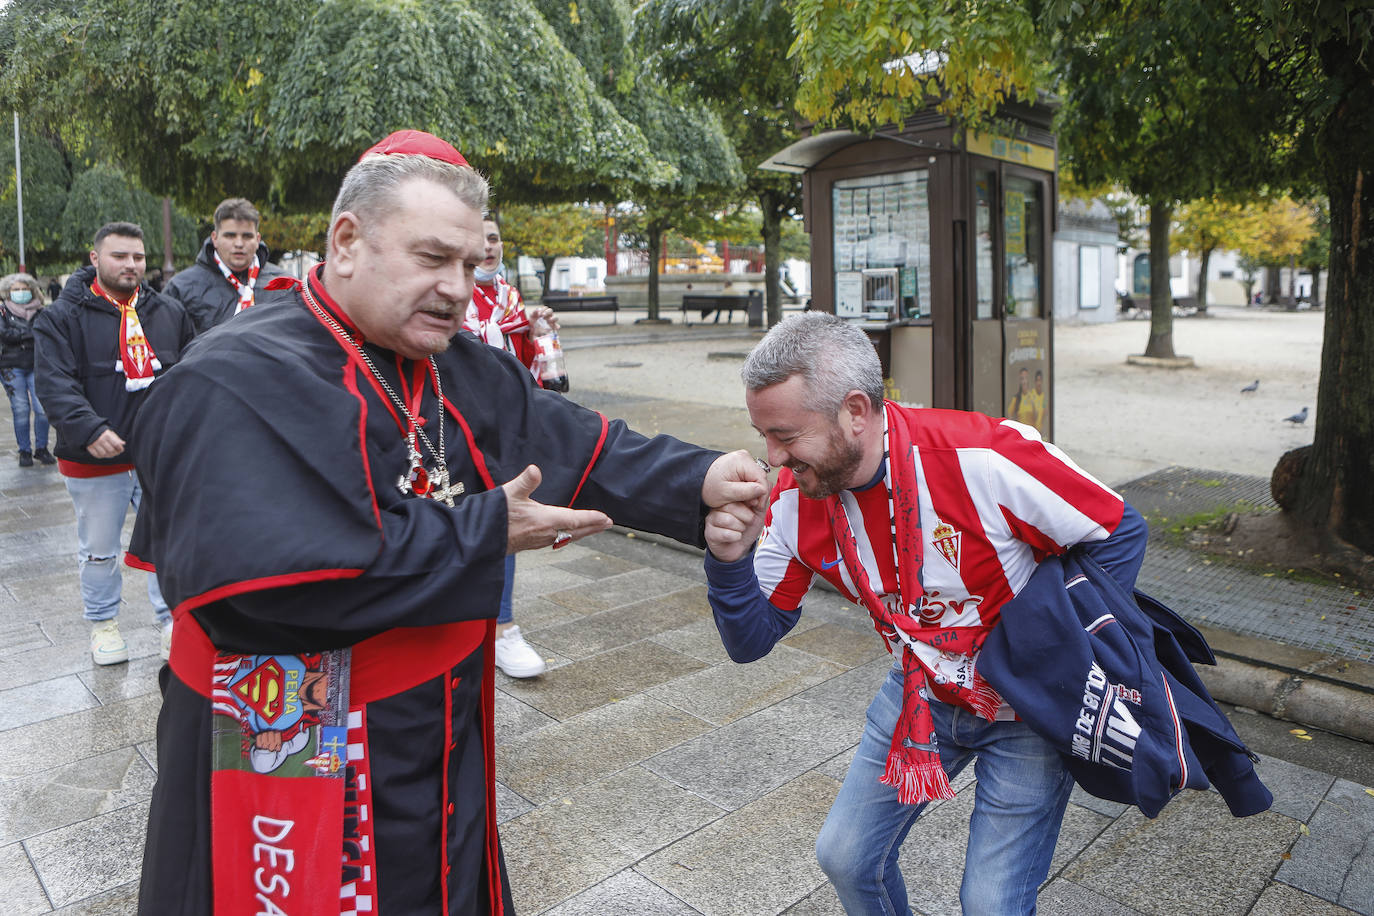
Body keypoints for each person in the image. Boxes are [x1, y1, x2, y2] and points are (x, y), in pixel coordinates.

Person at [127, 130, 767, 915]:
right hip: (295, 737)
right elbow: (262, 592)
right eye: (433, 258)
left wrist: (699, 480)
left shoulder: (459, 365)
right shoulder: (231, 377)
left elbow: (572, 440)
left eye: (471, 264)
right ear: (348, 241)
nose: (460, 288)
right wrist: (483, 531)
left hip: (434, 725)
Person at [702, 312, 1148, 915]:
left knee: (991, 903)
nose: (771, 456)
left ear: (855, 412)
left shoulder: (985, 457)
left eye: (785, 434)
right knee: (845, 858)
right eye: (763, 433)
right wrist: (728, 558)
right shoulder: (792, 501)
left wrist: (1060, 649)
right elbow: (750, 640)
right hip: (918, 692)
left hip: (1026, 705)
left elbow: (1118, 528)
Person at [32, 223, 195, 666]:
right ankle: (104, 624)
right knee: (100, 549)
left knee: (166, 539)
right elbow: (53, 382)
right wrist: (89, 429)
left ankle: (171, 621)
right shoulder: (61, 317)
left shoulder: (168, 312)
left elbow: (190, 372)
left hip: (157, 455)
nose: (131, 265)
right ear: (95, 259)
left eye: (138, 257)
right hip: (95, 457)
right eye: (120, 256)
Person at [464, 217, 558, 677]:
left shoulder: (509, 298)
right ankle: (465, 624)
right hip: (451, 423)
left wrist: (534, 332)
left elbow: (525, 373)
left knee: (502, 518)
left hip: (500, 427)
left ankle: (501, 628)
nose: (488, 246)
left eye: (495, 237)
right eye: (477, 237)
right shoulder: (450, 293)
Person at [162, 197, 289, 335]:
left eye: (247, 236)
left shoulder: (285, 286)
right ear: (215, 238)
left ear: (258, 239)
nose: (239, 244)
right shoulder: (181, 288)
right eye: (230, 236)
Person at [0, 273, 56, 467]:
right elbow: (5, 335)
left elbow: (46, 333)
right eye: (16, 289)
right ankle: (24, 450)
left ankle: (42, 448)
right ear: (8, 292)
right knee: (21, 409)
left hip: (37, 364)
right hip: (11, 366)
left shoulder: (41, 311)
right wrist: (29, 334)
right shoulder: (3, 311)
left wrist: (22, 335)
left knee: (42, 409)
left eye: (24, 289)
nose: (20, 293)